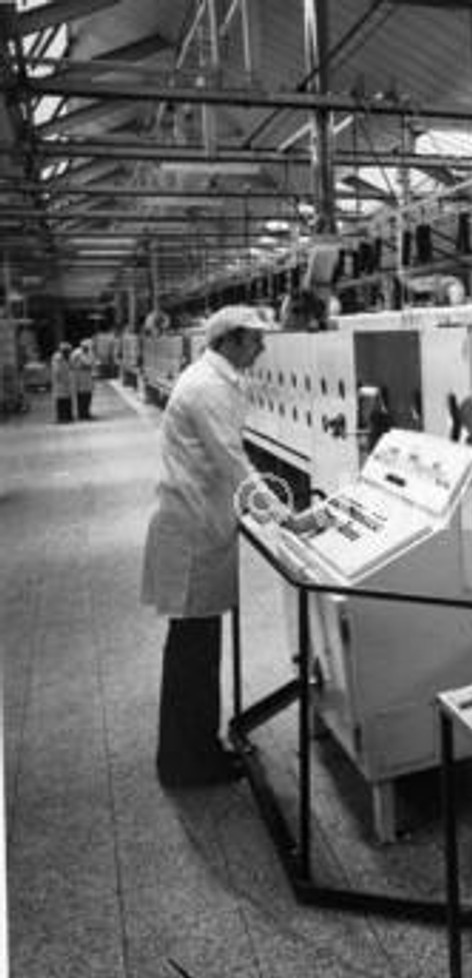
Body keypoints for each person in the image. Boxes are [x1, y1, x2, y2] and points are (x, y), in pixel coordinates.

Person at [140, 305, 291, 788]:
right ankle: (188, 762)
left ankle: (193, 751)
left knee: (196, 651)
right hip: (192, 531)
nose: (262, 349)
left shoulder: (214, 379)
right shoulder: (207, 387)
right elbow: (234, 463)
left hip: (200, 523)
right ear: (229, 340)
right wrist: (285, 519)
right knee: (192, 654)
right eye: (255, 340)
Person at [71, 338, 96, 419]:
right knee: (81, 396)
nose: (87, 349)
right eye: (85, 347)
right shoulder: (76, 353)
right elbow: (71, 364)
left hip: (88, 378)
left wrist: (87, 366)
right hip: (79, 378)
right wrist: (81, 365)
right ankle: (81, 413)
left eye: (88, 347)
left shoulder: (90, 353)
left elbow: (91, 363)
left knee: (88, 396)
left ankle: (86, 412)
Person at [50, 342, 74, 423]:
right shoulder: (58, 359)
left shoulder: (67, 358)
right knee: (61, 400)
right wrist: (62, 380)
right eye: (67, 351)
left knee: (68, 399)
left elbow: (70, 367)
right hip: (60, 383)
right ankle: (61, 417)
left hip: (66, 383)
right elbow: (57, 371)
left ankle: (68, 416)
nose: (68, 353)